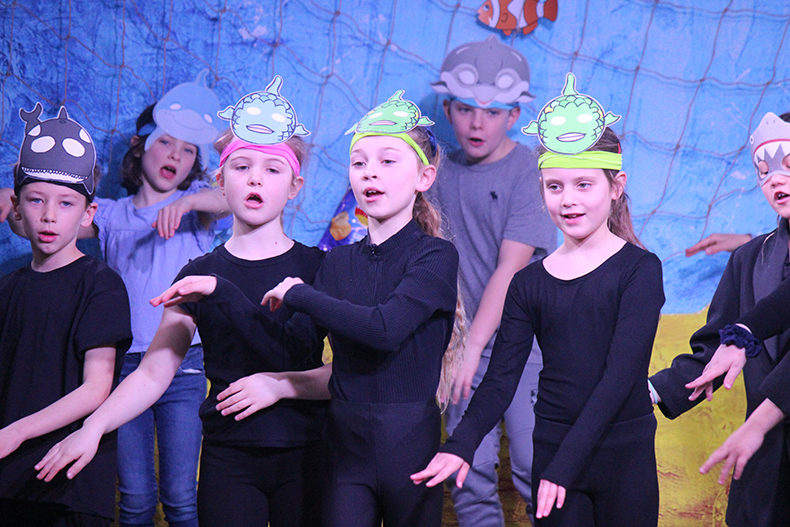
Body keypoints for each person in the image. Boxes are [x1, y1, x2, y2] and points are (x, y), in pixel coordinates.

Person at [143, 91, 462, 527]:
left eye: (387, 161)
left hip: (385, 449)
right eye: (359, 162)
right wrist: (224, 292)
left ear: (424, 177)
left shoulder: (432, 256)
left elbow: (384, 331)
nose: (371, 172)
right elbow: (289, 346)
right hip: (337, 458)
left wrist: (297, 297)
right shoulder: (339, 262)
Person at [33, 77, 330, 527]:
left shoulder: (322, 266)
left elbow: (350, 374)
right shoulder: (196, 273)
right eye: (241, 166)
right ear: (221, 182)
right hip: (229, 463)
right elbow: (153, 372)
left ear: (294, 185)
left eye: (272, 170)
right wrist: (92, 428)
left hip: (306, 455)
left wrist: (281, 385)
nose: (255, 178)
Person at [412, 74, 665, 527]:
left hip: (621, 457)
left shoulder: (639, 271)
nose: (568, 201)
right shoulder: (529, 283)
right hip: (554, 450)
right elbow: (500, 379)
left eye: (584, 185)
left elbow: (619, 378)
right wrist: (461, 445)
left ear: (616, 186)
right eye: (554, 186)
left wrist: (563, 468)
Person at [429, 36, 557, 525]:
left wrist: (472, 346)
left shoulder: (529, 172)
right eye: (465, 109)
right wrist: (457, 349)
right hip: (462, 348)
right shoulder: (436, 173)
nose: (477, 123)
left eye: (492, 111)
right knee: (469, 471)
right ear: (447, 109)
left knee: (533, 467)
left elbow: (510, 268)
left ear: (514, 116)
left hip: (522, 347)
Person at [649, 111, 790, 526]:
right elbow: (717, 347)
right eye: (764, 171)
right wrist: (651, 392)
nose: (776, 180)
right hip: (765, 469)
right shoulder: (749, 259)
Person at [0, 104, 132, 527]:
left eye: (66, 203)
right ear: (16, 207)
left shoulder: (101, 285)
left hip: (71, 483)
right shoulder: (7, 288)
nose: (49, 215)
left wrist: (16, 432)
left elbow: (96, 388)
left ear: (88, 214)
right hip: (8, 480)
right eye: (36, 200)